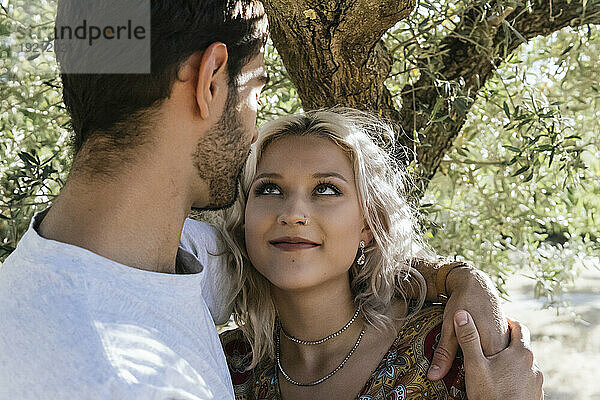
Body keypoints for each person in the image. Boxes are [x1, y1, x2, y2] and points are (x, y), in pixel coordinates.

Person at [0, 1, 521, 399]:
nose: (293, 212)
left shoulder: (161, 258)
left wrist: (460, 279)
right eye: (255, 91)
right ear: (210, 80)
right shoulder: (132, 377)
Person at [215, 109, 544, 399]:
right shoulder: (222, 364)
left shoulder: (449, 349)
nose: (293, 213)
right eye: (269, 189)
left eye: (326, 189)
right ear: (245, 218)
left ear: (367, 225)